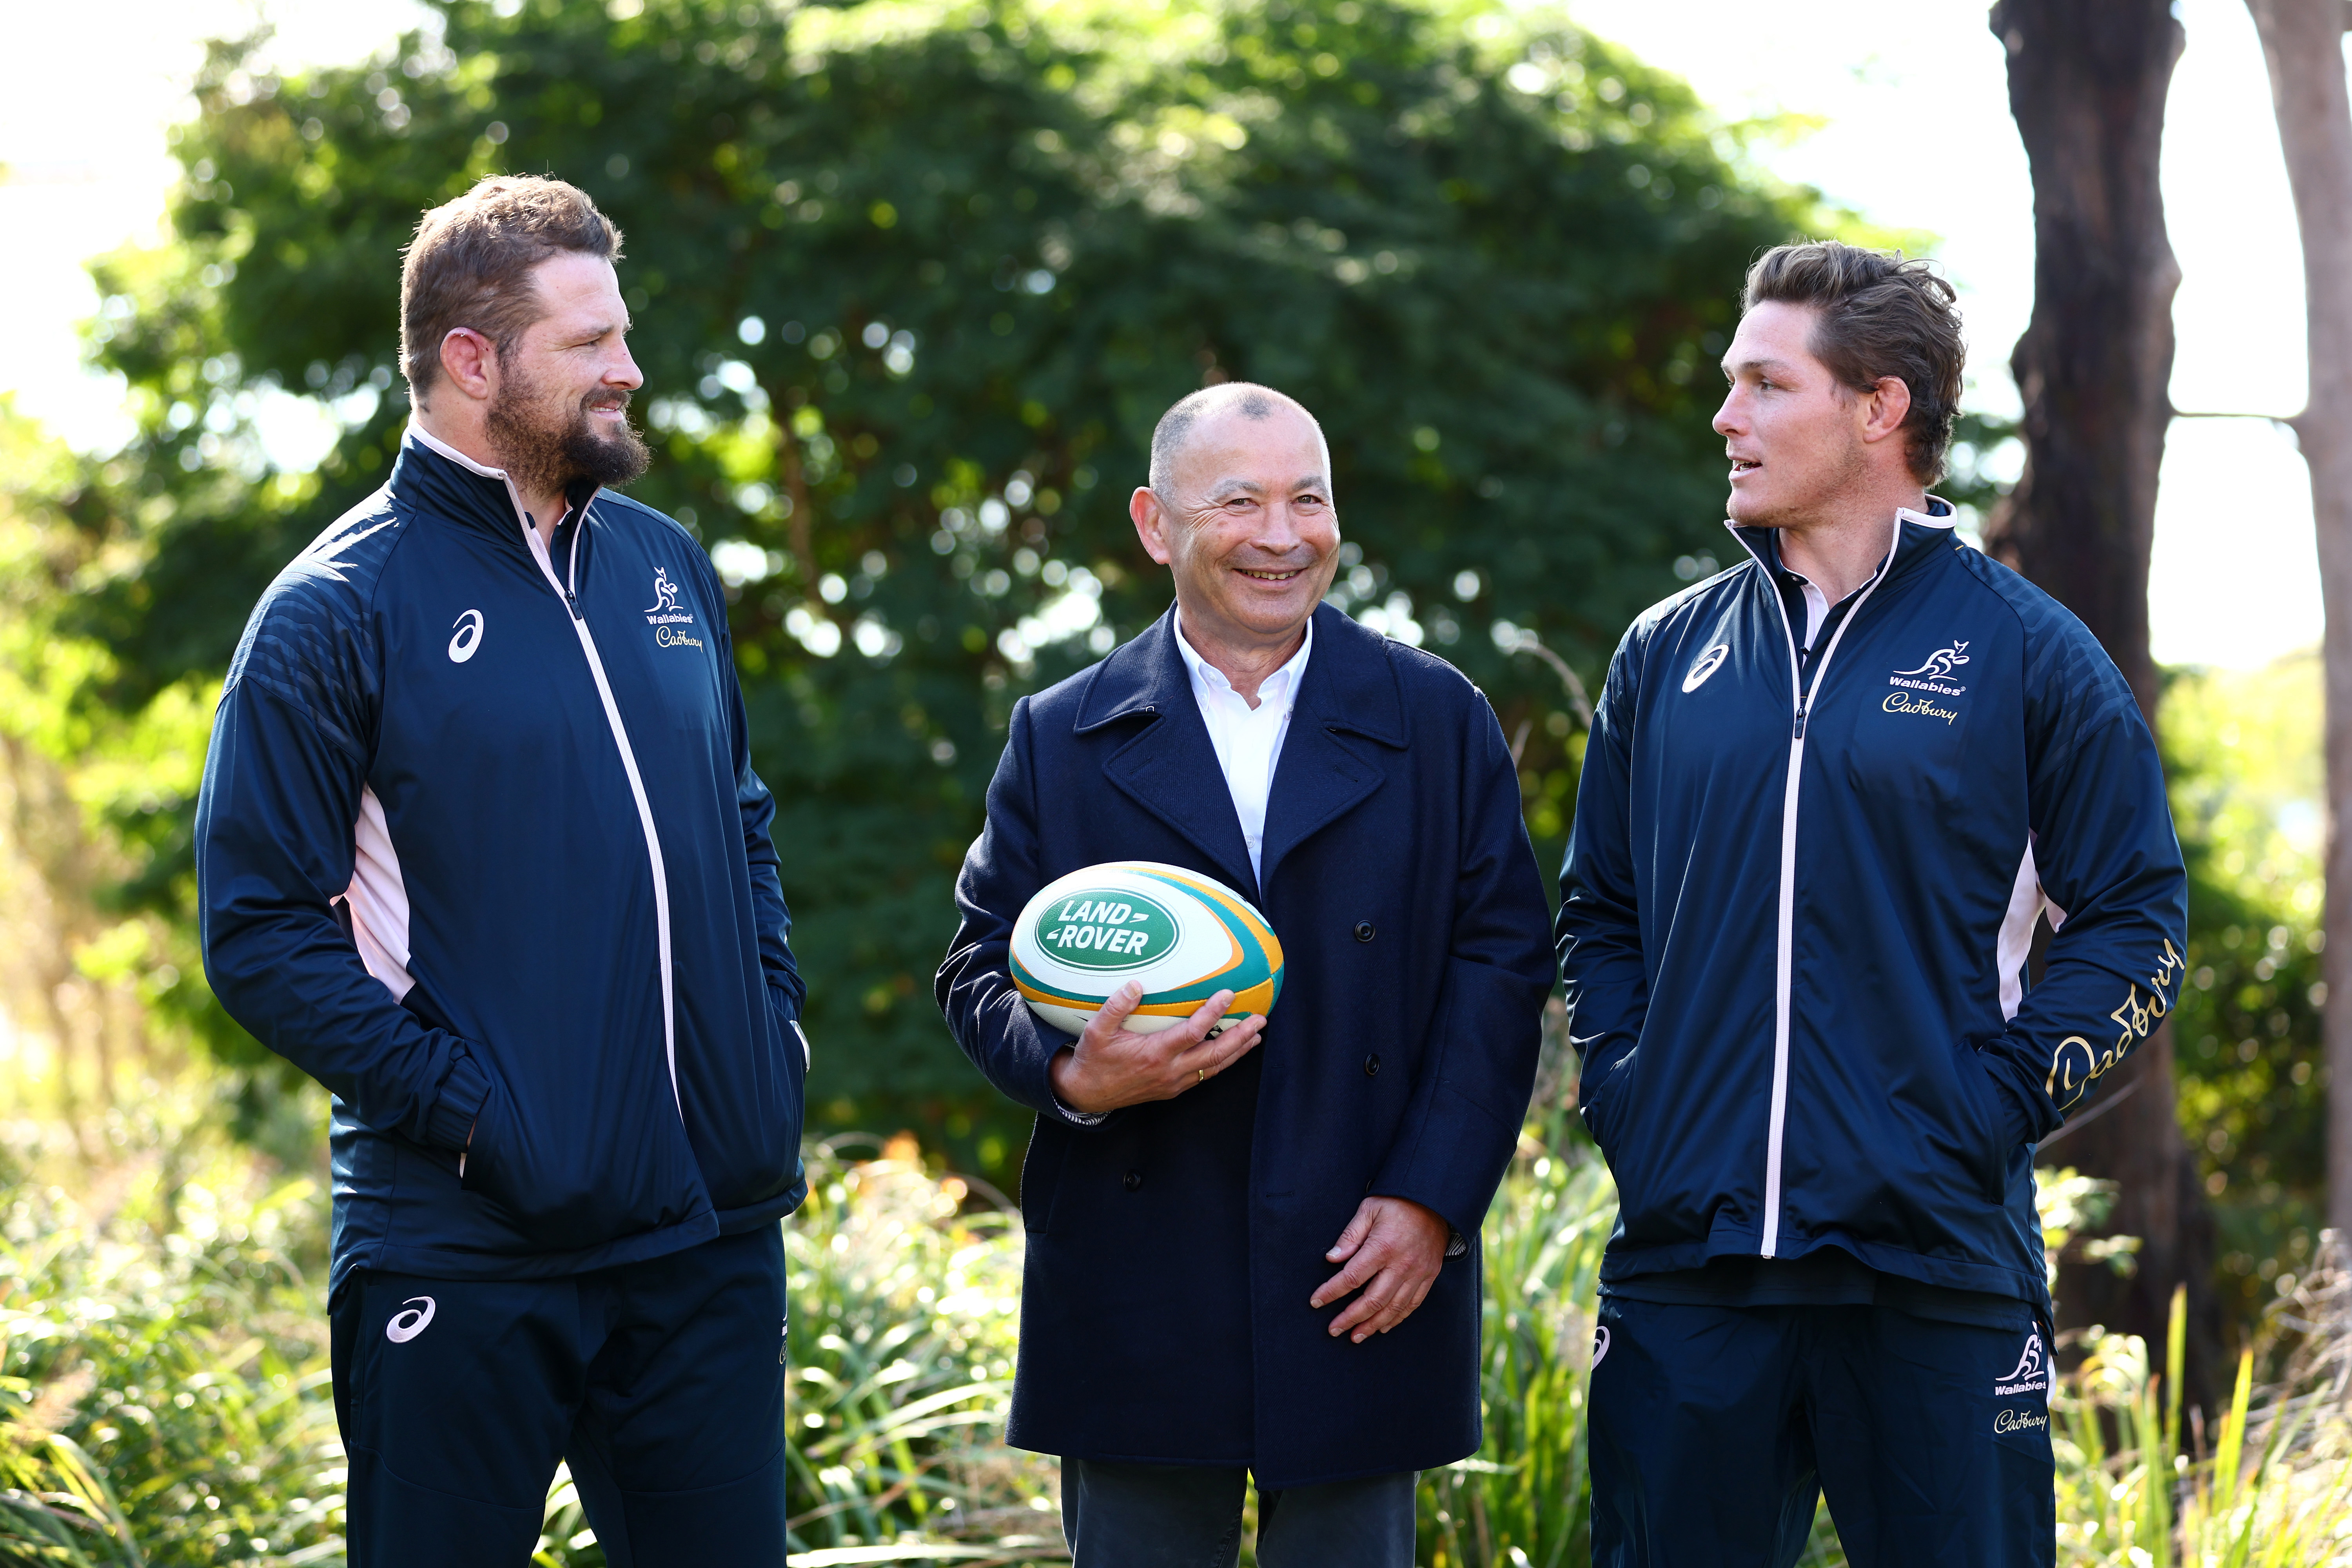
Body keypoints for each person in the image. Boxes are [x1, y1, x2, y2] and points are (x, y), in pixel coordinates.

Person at [195, 175, 809, 1566]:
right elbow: (259, 934)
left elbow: (740, 822)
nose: (630, 370)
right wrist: (480, 1118)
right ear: (473, 361)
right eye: (590, 343)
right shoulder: (335, 610)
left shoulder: (665, 570)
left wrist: (768, 1034)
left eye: (624, 335)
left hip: (708, 1237)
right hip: (464, 1251)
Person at [1557, 239, 2189, 1566]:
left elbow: (2136, 918)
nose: (1725, 418)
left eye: (1763, 386)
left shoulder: (2028, 654)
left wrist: (1993, 1104)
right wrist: (1630, 1085)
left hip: (1936, 1266)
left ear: (1878, 407)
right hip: (1691, 1263)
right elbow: (1600, 909)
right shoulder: (1667, 651)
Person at [937, 383, 1555, 1567]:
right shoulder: (1061, 732)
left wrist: (1432, 1200)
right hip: (1137, 1274)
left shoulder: (1436, 716)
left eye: (1308, 499)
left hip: (1363, 1259)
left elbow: (1501, 962)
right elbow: (977, 965)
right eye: (1240, 502)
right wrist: (1075, 1071)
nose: (1283, 536)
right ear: (1155, 525)